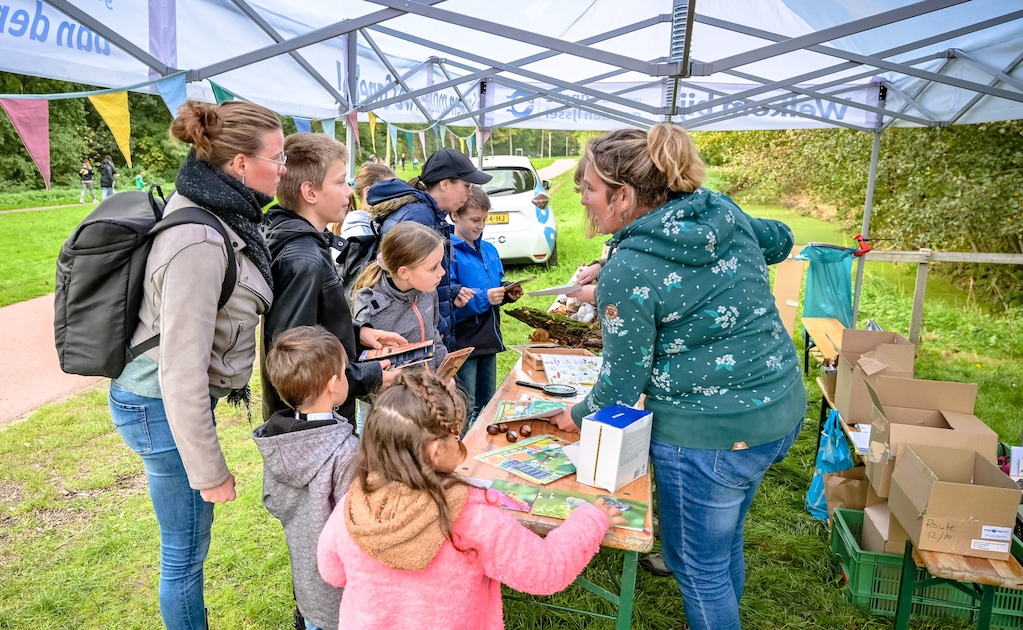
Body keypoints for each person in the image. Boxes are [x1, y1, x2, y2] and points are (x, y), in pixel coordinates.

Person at [550, 124, 806, 630]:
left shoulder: (630, 269)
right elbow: (780, 240)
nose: (582, 198)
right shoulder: (719, 210)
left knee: (698, 567)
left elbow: (621, 386)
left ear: (623, 197)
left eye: (589, 189)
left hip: (707, 437)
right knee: (722, 542)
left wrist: (575, 414)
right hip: (778, 408)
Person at [107, 100, 286, 630]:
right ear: (240, 164)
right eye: (276, 157)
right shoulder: (200, 240)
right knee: (184, 553)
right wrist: (208, 471)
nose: (283, 168)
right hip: (158, 404)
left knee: (188, 546)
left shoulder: (222, 211)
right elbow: (180, 370)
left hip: (165, 401)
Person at [316, 371, 628, 630]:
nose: (459, 440)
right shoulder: (471, 516)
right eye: (455, 435)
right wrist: (591, 520)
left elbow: (332, 572)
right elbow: (547, 569)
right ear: (436, 451)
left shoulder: (353, 505)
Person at [261, 133, 405, 424]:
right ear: (310, 192)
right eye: (340, 182)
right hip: (311, 423)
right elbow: (298, 361)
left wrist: (357, 333)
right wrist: (370, 376)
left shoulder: (310, 242)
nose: (350, 192)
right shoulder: (303, 259)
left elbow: (315, 325)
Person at [253, 327, 361, 630]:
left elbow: (273, 501)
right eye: (344, 371)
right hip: (343, 596)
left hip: (307, 588)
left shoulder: (279, 442)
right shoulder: (347, 453)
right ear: (333, 385)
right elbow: (358, 527)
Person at [365, 148, 491, 351]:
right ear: (445, 184)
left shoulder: (426, 213)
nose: (469, 193)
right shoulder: (420, 217)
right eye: (466, 185)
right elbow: (406, 283)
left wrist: (450, 292)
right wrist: (436, 328)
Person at [450, 186, 523, 427]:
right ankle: (461, 446)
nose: (480, 226)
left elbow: (494, 286)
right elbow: (451, 302)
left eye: (484, 220)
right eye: (475, 220)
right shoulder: (448, 252)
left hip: (489, 338)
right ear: (455, 215)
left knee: (488, 401)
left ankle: (483, 441)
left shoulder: (489, 250)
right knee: (466, 403)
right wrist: (485, 298)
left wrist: (507, 292)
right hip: (464, 340)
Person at [351, 222, 453, 372]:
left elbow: (433, 334)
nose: (442, 272)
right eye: (433, 267)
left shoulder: (428, 291)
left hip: (431, 383)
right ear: (404, 273)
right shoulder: (372, 308)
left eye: (440, 264)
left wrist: (444, 373)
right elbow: (369, 367)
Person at [340, 162, 395, 239]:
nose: (396, 195)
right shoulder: (359, 233)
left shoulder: (374, 225)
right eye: (390, 190)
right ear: (369, 193)